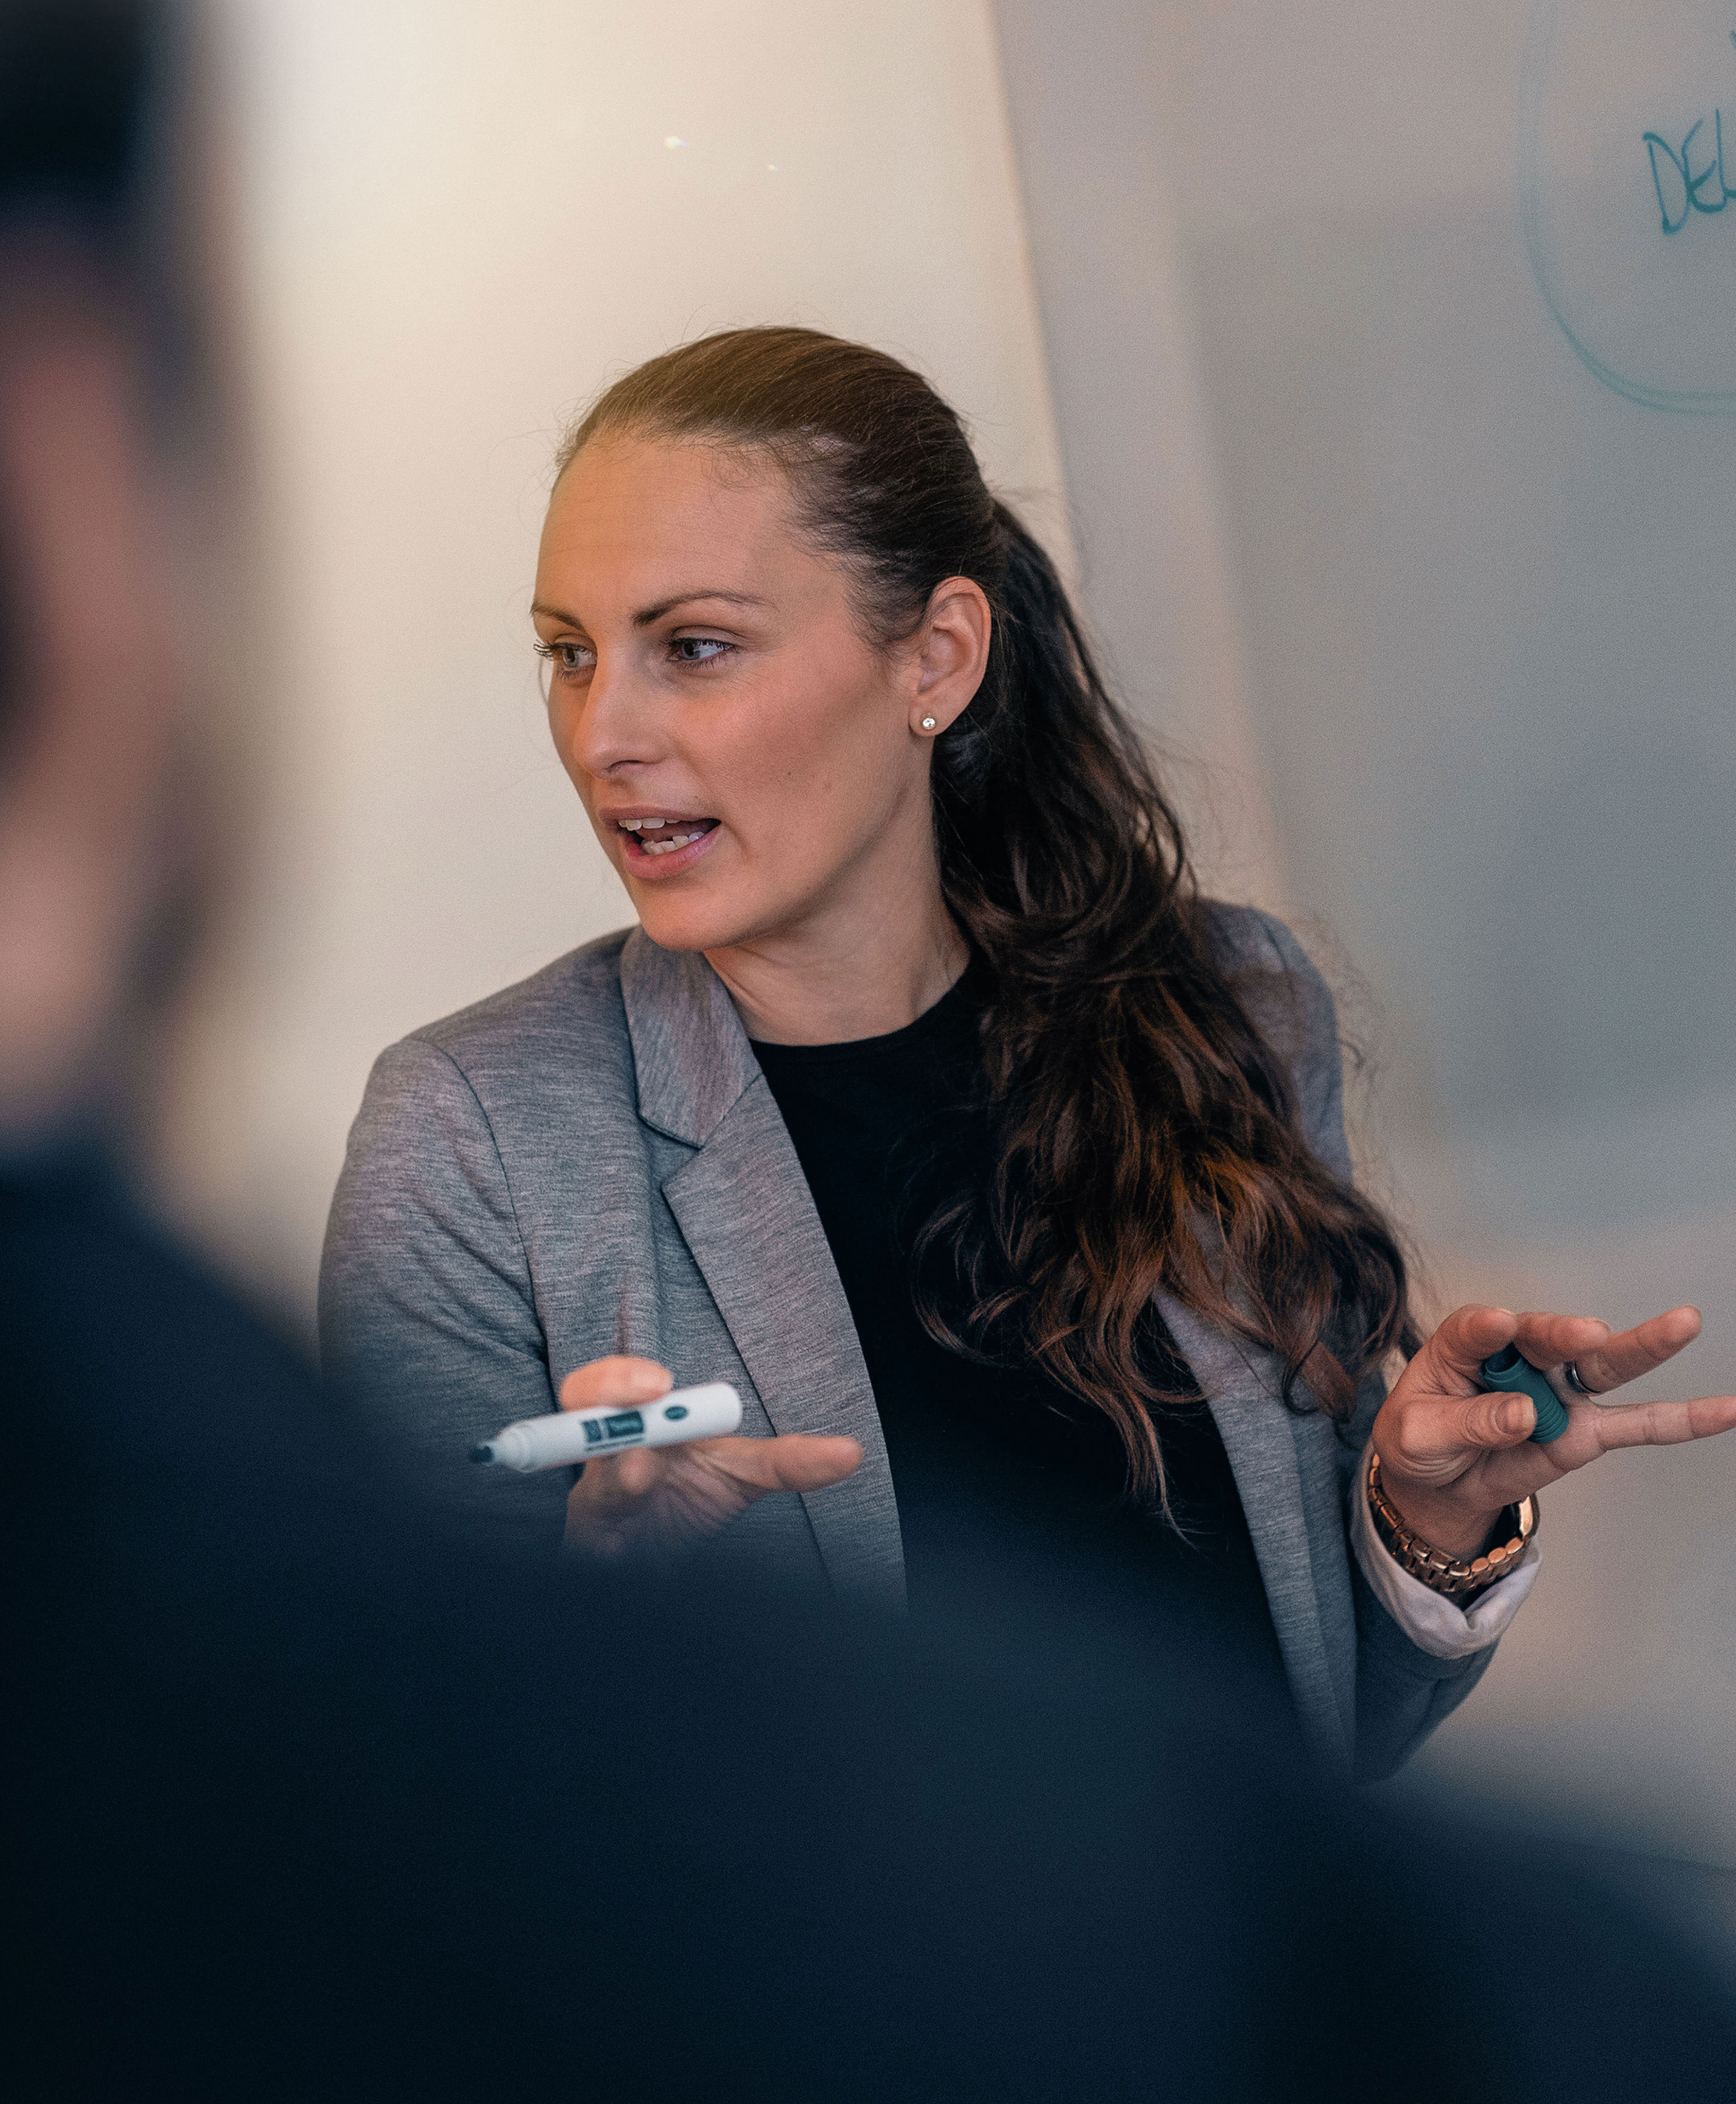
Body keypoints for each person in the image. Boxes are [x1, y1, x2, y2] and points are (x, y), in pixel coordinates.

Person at [320, 327, 1736, 1780]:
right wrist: (594, 1614)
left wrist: (1428, 1531)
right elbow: (396, 1794)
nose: (600, 733)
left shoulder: (1227, 1008)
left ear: (935, 657)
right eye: (568, 654)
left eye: (693, 648)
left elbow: (1317, 1747)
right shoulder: (473, 1139)